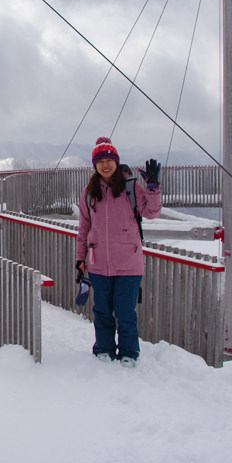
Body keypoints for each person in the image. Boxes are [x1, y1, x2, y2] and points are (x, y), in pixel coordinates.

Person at [75, 137, 161, 366]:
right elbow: (84, 228)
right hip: (98, 262)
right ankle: (103, 348)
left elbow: (151, 213)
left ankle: (128, 352)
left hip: (129, 262)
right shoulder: (90, 192)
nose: (105, 165)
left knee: (125, 312)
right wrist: (80, 259)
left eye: (109, 160)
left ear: (116, 161)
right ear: (95, 164)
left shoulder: (131, 187)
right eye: (100, 161)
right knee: (102, 310)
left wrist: (153, 189)